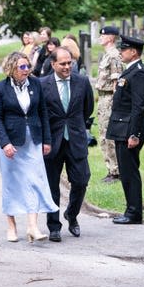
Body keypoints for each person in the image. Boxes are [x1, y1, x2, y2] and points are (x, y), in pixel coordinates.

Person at [0, 52, 58, 243]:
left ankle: (32, 226)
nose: (27, 70)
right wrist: (5, 143)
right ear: (12, 68)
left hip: (34, 142)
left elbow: (43, 113)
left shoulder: (35, 84)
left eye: (28, 66)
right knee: (12, 184)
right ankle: (11, 226)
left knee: (34, 182)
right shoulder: (0, 88)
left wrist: (47, 140)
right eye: (22, 67)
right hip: (11, 144)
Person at [40, 47, 94, 242]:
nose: (67, 67)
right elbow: (41, 114)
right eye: (62, 63)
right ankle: (53, 225)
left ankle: (71, 214)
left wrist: (76, 127)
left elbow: (87, 108)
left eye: (69, 63)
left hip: (76, 139)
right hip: (52, 142)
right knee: (52, 186)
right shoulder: (42, 84)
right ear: (53, 64)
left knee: (81, 180)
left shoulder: (82, 81)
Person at [106, 34, 144, 225]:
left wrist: (134, 134)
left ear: (133, 52)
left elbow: (138, 106)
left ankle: (134, 213)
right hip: (121, 128)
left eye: (123, 49)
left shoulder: (138, 73)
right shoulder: (130, 71)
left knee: (130, 171)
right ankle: (130, 210)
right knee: (125, 171)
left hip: (129, 130)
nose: (120, 52)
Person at [95, 26, 123, 183]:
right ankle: (110, 168)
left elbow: (116, 83)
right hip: (103, 98)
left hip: (109, 99)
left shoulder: (114, 56)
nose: (100, 37)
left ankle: (115, 171)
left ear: (111, 38)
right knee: (103, 135)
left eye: (103, 35)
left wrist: (114, 105)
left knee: (109, 136)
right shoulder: (107, 55)